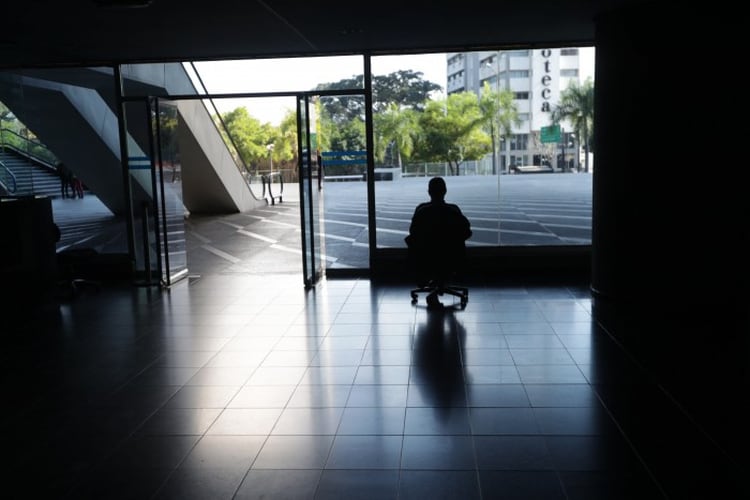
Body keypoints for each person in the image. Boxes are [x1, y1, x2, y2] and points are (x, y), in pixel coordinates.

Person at [405, 176, 472, 309]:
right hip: (450, 257)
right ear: (445, 191)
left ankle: (434, 284)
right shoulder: (453, 210)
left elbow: (413, 234)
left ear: (429, 192)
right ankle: (441, 281)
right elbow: (466, 232)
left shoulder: (421, 210)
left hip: (426, 258)